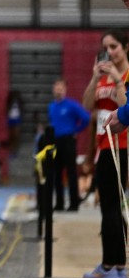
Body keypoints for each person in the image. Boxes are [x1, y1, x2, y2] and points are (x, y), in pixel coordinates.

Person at [85, 27, 129, 278]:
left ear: (125, 47)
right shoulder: (102, 77)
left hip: (122, 146)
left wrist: (118, 81)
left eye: (114, 47)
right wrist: (94, 79)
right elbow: (87, 106)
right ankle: (115, 265)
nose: (109, 52)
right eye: (106, 48)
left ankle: (113, 265)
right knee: (109, 206)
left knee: (112, 206)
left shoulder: (125, 74)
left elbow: (126, 107)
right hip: (104, 145)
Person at [47, 78, 90, 212]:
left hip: (68, 140)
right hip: (55, 141)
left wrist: (75, 130)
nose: (59, 90)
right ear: (53, 90)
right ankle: (59, 203)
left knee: (71, 172)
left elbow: (86, 118)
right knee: (56, 173)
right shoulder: (51, 106)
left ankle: (74, 203)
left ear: (65, 90)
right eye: (57, 88)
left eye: (61, 88)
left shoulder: (72, 105)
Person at [5, 89, 23, 156]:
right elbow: (6, 111)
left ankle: (15, 150)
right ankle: (11, 150)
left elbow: (21, 111)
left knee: (16, 136)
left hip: (17, 120)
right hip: (10, 120)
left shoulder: (19, 103)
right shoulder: (9, 103)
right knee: (11, 136)